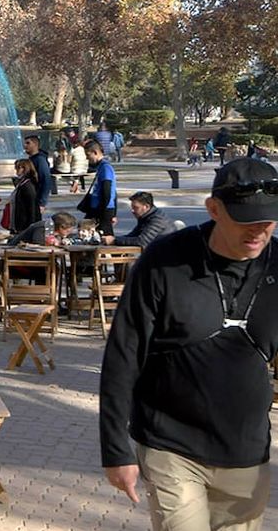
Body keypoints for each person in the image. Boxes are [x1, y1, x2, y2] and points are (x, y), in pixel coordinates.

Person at [100, 157, 278, 531]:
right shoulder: (164, 261)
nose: (259, 230)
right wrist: (115, 448)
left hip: (246, 451)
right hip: (171, 445)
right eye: (246, 219)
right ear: (214, 209)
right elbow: (123, 355)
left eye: (269, 219)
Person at [101, 191, 172, 249]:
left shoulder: (157, 219)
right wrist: (112, 238)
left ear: (146, 207)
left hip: (166, 257)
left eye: (135, 207)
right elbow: (132, 236)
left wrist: (114, 240)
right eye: (132, 207)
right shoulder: (146, 217)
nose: (132, 210)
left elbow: (142, 241)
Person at [79, 139, 117, 236]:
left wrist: (102, 212)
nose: (87, 159)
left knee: (104, 235)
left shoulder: (105, 168)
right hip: (96, 207)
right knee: (86, 230)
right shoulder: (100, 167)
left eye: (88, 155)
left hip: (102, 208)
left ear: (95, 152)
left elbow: (107, 190)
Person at [6, 158, 41, 234]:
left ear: (25, 169)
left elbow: (32, 206)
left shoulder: (27, 185)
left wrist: (31, 225)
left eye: (18, 168)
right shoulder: (22, 184)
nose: (16, 171)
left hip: (24, 224)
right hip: (18, 223)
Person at [7, 211, 78, 246]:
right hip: (17, 254)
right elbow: (39, 243)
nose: (70, 232)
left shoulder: (51, 228)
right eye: (68, 231)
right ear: (61, 227)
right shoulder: (43, 227)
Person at [23, 134, 52, 212]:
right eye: (25, 143)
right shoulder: (32, 159)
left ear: (35, 144)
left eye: (28, 143)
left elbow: (46, 180)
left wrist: (42, 203)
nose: (25, 145)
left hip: (36, 199)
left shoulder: (40, 160)